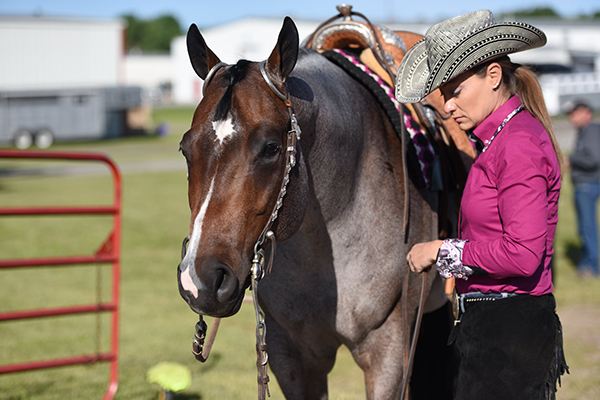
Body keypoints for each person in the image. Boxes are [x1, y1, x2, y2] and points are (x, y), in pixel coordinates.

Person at [395, 10, 568, 400]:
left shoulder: (517, 146)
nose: (448, 106)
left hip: (508, 331)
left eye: (455, 90)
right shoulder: (499, 140)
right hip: (497, 325)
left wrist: (442, 250)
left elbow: (523, 254)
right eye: (443, 94)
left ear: (493, 76)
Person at [566, 100, 600, 277]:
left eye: (575, 113)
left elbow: (594, 159)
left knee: (587, 227)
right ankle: (589, 261)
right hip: (585, 183)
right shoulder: (585, 131)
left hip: (588, 184)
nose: (572, 118)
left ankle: (592, 265)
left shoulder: (591, 131)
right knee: (585, 227)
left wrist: (572, 160)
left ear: (586, 112)